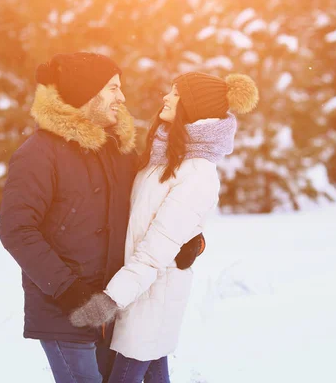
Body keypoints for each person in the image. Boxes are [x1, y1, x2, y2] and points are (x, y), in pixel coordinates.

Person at [69, 71, 259, 382]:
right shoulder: (164, 157)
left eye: (175, 93)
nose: (165, 98)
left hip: (151, 297)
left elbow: (155, 250)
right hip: (138, 289)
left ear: (193, 107)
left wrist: (110, 299)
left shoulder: (197, 172)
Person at [0, 52, 137, 382]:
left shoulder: (119, 149)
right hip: (65, 309)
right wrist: (69, 290)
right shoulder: (39, 153)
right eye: (113, 88)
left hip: (114, 303)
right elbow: (16, 229)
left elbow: (149, 203)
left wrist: (187, 239)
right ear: (87, 93)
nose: (122, 97)